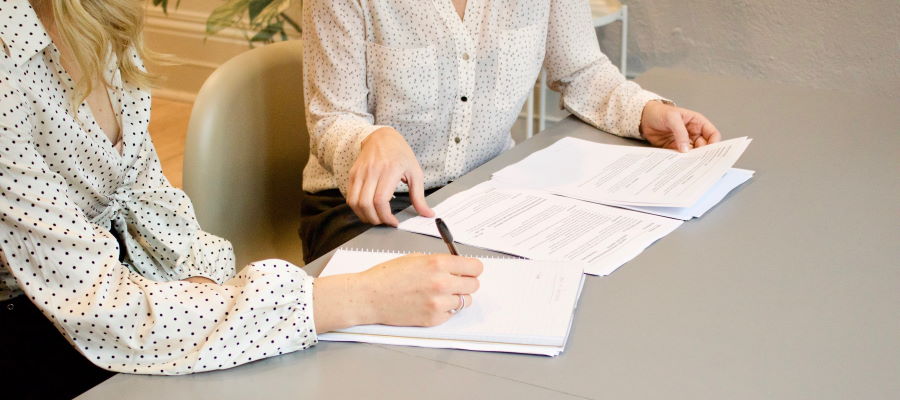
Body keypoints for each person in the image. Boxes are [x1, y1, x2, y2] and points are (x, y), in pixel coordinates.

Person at [0, 1, 482, 398]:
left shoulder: (100, 18)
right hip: (40, 317)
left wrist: (207, 288)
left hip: (116, 286)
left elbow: (148, 202)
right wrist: (359, 297)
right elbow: (100, 307)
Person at [300, 0, 723, 262]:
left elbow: (581, 70)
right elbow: (331, 118)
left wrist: (645, 110)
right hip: (362, 208)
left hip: (484, 195)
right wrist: (370, 140)